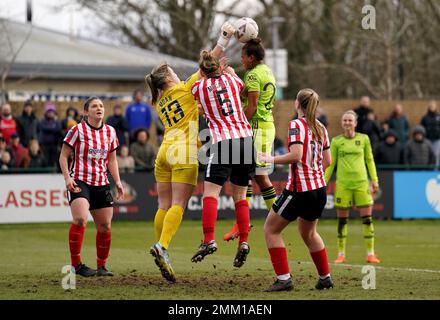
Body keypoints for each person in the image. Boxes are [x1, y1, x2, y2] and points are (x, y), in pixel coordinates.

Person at [144, 22, 233, 282]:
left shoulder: (160, 101)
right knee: (179, 205)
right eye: (173, 71)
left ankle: (160, 246)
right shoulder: (184, 89)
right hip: (184, 151)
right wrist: (223, 40)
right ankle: (163, 247)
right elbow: (207, 65)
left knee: (163, 205)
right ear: (169, 78)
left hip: (164, 153)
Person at [259, 89, 333, 292]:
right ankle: (325, 278)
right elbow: (328, 161)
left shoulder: (296, 125)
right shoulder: (321, 127)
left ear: (296, 104)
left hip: (300, 190)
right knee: (309, 234)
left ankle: (284, 279)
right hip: (319, 190)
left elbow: (296, 155)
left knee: (271, 230)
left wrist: (270, 159)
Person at [190, 50, 254, 268]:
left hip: (222, 141)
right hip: (245, 140)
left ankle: (208, 240)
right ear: (218, 67)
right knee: (241, 196)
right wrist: (225, 69)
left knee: (211, 193)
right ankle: (244, 241)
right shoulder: (231, 78)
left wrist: (208, 68)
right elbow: (241, 87)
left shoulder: (199, 86)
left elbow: (196, 79)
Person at [59, 97, 124, 277]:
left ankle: (101, 266)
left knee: (105, 226)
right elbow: (63, 156)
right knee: (80, 219)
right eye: (94, 106)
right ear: (86, 112)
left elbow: (112, 159)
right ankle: (76, 265)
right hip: (79, 180)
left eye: (101, 106)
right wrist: (67, 178)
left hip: (101, 182)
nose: (99, 108)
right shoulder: (77, 130)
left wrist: (117, 181)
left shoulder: (110, 132)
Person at [223, 38, 277, 242]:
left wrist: (238, 125)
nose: (242, 60)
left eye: (243, 56)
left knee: (253, 176)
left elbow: (252, 106)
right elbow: (246, 94)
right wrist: (233, 76)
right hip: (265, 126)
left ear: (252, 57)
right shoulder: (266, 71)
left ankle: (274, 216)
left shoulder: (253, 74)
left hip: (257, 127)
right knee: (253, 176)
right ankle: (244, 222)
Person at [324, 110, 380, 264]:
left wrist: (374, 180)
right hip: (343, 185)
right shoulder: (336, 141)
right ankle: (341, 254)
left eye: (350, 120)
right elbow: (331, 164)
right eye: (345, 120)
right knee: (342, 221)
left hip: (362, 184)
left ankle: (370, 254)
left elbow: (369, 160)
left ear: (355, 123)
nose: (347, 123)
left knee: (367, 219)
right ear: (342, 123)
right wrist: (323, 182)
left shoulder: (364, 139)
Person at [38, 103, 62, 167]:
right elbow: (43, 128)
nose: (50, 114)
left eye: (52, 112)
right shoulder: (43, 121)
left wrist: (51, 128)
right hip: (45, 145)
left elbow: (58, 129)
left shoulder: (57, 122)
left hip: (54, 145)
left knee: (54, 160)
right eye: (49, 112)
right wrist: (53, 128)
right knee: (46, 160)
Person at [420, 101, 440, 166]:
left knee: (436, 155)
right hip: (427, 139)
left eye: (433, 106)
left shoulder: (439, 116)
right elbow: (421, 128)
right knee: (427, 155)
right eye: (430, 106)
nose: (432, 107)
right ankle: (427, 170)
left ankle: (435, 170)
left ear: (436, 107)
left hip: (437, 139)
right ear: (428, 107)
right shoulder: (425, 117)